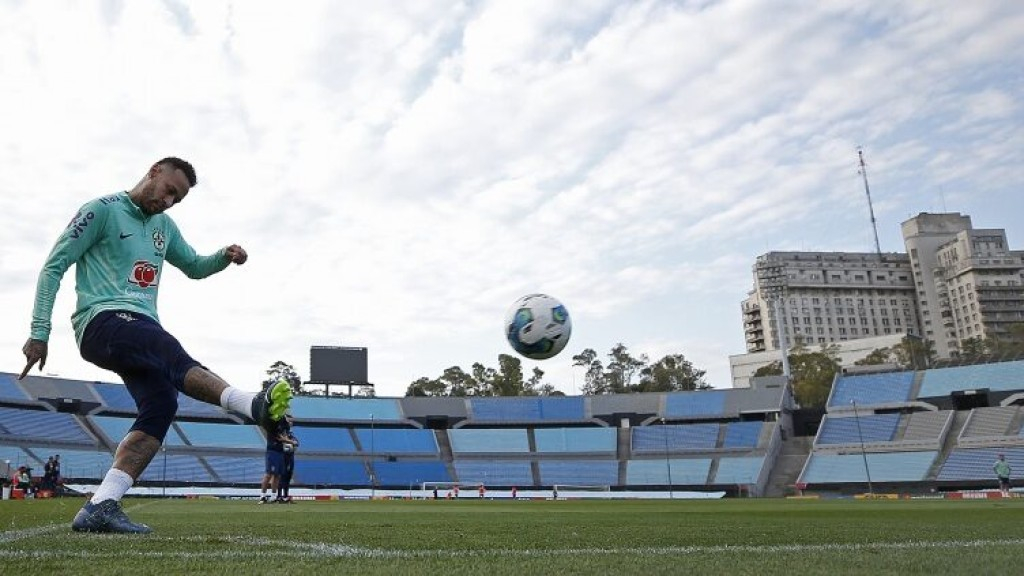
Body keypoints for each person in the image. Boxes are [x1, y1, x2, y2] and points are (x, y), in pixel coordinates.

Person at [20, 157, 292, 533]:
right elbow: (54, 265)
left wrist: (224, 257)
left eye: (177, 199)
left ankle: (102, 504)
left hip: (141, 328)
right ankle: (250, 405)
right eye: (168, 191)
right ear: (153, 172)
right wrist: (39, 331)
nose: (168, 202)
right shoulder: (101, 210)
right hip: (101, 321)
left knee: (162, 403)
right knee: (165, 348)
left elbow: (194, 266)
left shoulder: (165, 227)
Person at [276, 413, 299, 503]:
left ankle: (285, 496)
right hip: (282, 456)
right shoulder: (281, 430)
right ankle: (279, 496)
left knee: (288, 476)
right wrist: (291, 443)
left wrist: (293, 443)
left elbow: (297, 442)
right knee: (282, 476)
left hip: (290, 456)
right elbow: (280, 441)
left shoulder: (290, 433)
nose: (291, 423)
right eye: (290, 421)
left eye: (292, 422)